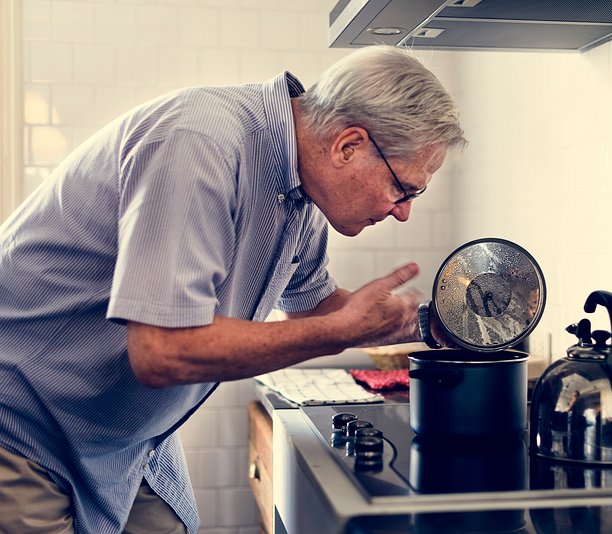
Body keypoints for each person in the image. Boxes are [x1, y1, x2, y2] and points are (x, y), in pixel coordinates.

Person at [0, 45, 466, 533]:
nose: (403, 210)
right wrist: (336, 332)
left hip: (116, 438)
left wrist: (435, 325)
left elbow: (315, 309)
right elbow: (164, 351)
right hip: (27, 428)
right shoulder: (199, 142)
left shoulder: (299, 189)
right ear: (348, 146)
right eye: (404, 189)